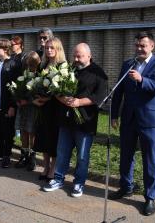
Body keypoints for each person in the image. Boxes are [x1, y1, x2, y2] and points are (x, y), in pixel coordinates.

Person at [110, 31, 155, 216]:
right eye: (137, 45)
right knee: (126, 155)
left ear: (152, 46)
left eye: (143, 45)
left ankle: (150, 197)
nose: (139, 48)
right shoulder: (128, 64)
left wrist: (142, 80)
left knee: (150, 160)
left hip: (150, 120)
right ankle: (126, 186)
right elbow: (118, 91)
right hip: (129, 118)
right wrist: (114, 115)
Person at [43, 43, 108, 197]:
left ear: (89, 56)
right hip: (65, 119)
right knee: (62, 152)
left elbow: (99, 97)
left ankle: (79, 182)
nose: (76, 59)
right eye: (75, 56)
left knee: (82, 156)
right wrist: (62, 98)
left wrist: (79, 102)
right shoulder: (69, 69)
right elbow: (56, 88)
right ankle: (58, 178)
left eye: (80, 56)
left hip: (85, 121)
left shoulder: (98, 73)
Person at [33, 37, 66, 181]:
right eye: (47, 48)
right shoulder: (43, 65)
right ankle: (45, 167)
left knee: (53, 140)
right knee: (43, 138)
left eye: (52, 48)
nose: (48, 50)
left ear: (58, 49)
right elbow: (35, 84)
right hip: (42, 108)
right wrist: (35, 98)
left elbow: (63, 90)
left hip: (56, 108)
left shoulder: (63, 66)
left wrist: (48, 98)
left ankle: (53, 169)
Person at [0, 39, 20, 168]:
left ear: (5, 49)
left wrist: (12, 106)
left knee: (8, 132)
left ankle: (7, 156)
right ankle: (0, 153)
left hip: (6, 106)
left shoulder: (13, 64)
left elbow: (15, 87)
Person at [14, 51, 41, 171]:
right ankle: (23, 156)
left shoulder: (39, 76)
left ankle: (32, 157)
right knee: (23, 131)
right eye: (27, 64)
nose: (29, 67)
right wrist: (17, 98)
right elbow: (18, 90)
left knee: (32, 133)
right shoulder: (23, 75)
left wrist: (28, 101)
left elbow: (39, 94)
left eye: (31, 64)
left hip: (33, 109)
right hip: (23, 108)